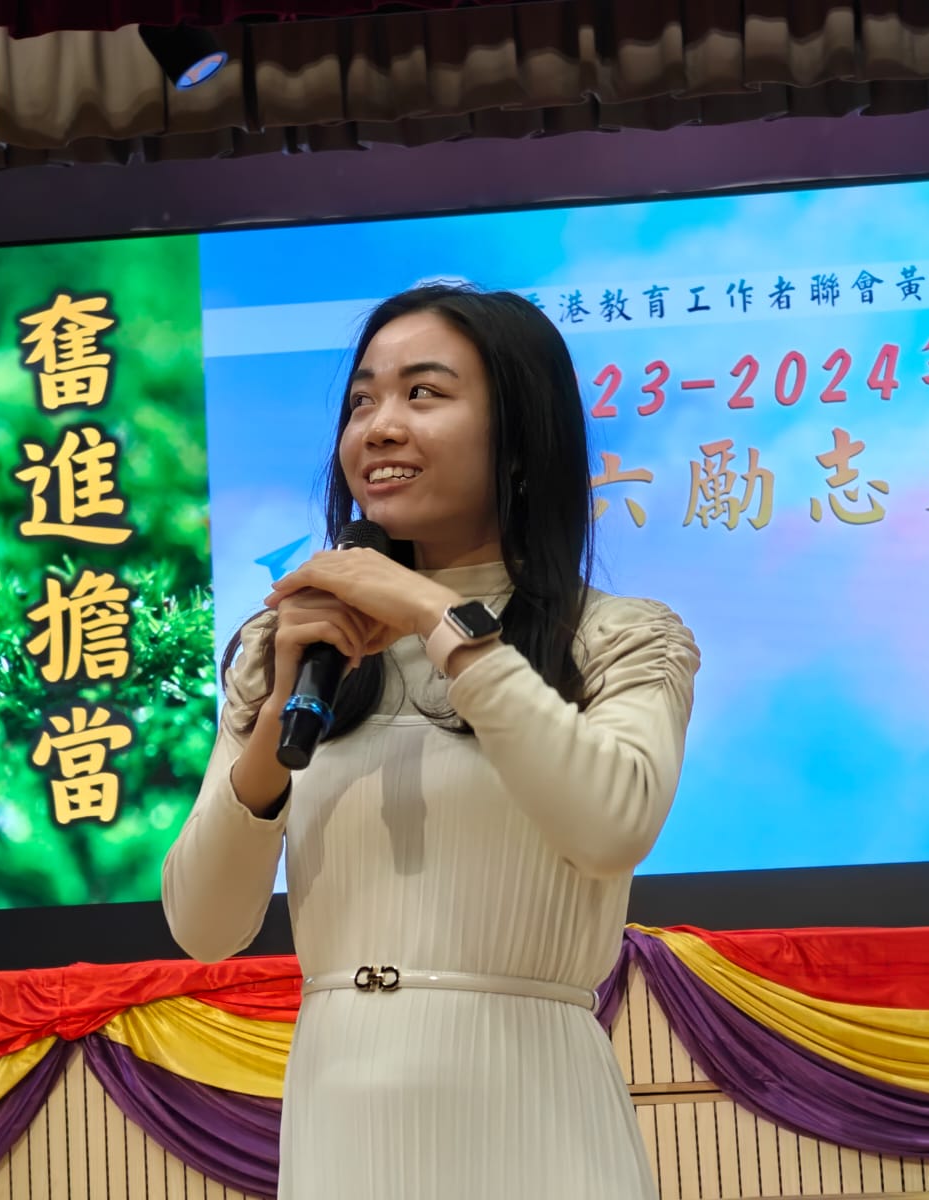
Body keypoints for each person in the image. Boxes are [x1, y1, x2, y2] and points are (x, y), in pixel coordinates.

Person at [162, 283, 700, 1199]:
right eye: (360, 401)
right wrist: (276, 712)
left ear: (518, 442)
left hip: (534, 1109)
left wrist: (433, 615)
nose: (378, 428)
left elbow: (611, 825)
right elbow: (204, 927)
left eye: (422, 393)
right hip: (339, 1114)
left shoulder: (618, 637)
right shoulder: (288, 646)